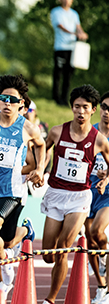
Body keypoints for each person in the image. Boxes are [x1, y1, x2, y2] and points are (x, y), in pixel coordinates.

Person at [0, 75, 45, 286]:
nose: (8, 103)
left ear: (21, 103)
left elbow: (41, 145)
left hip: (10, 191)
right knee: (4, 241)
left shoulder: (28, 128)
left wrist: (40, 168)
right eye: (4, 98)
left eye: (13, 100)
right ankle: (25, 232)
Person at [41, 85, 109, 304]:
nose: (80, 111)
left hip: (80, 197)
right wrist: (40, 168)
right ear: (72, 107)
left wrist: (105, 179)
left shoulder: (99, 140)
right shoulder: (57, 131)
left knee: (62, 247)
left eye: (85, 107)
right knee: (48, 256)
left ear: (92, 110)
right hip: (56, 193)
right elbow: (44, 148)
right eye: (77, 106)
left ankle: (50, 299)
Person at [84, 91, 109, 304]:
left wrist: (106, 179)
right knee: (89, 240)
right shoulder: (89, 133)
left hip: (107, 192)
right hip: (86, 190)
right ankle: (101, 286)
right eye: (105, 107)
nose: (107, 112)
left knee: (97, 231)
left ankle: (104, 253)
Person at [50, 0, 89, 106]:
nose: (67, 0)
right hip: (61, 47)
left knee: (68, 75)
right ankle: (55, 97)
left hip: (73, 48)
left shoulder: (74, 14)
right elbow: (60, 26)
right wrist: (74, 34)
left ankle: (64, 98)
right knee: (58, 73)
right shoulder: (56, 12)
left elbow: (78, 27)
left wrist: (82, 33)